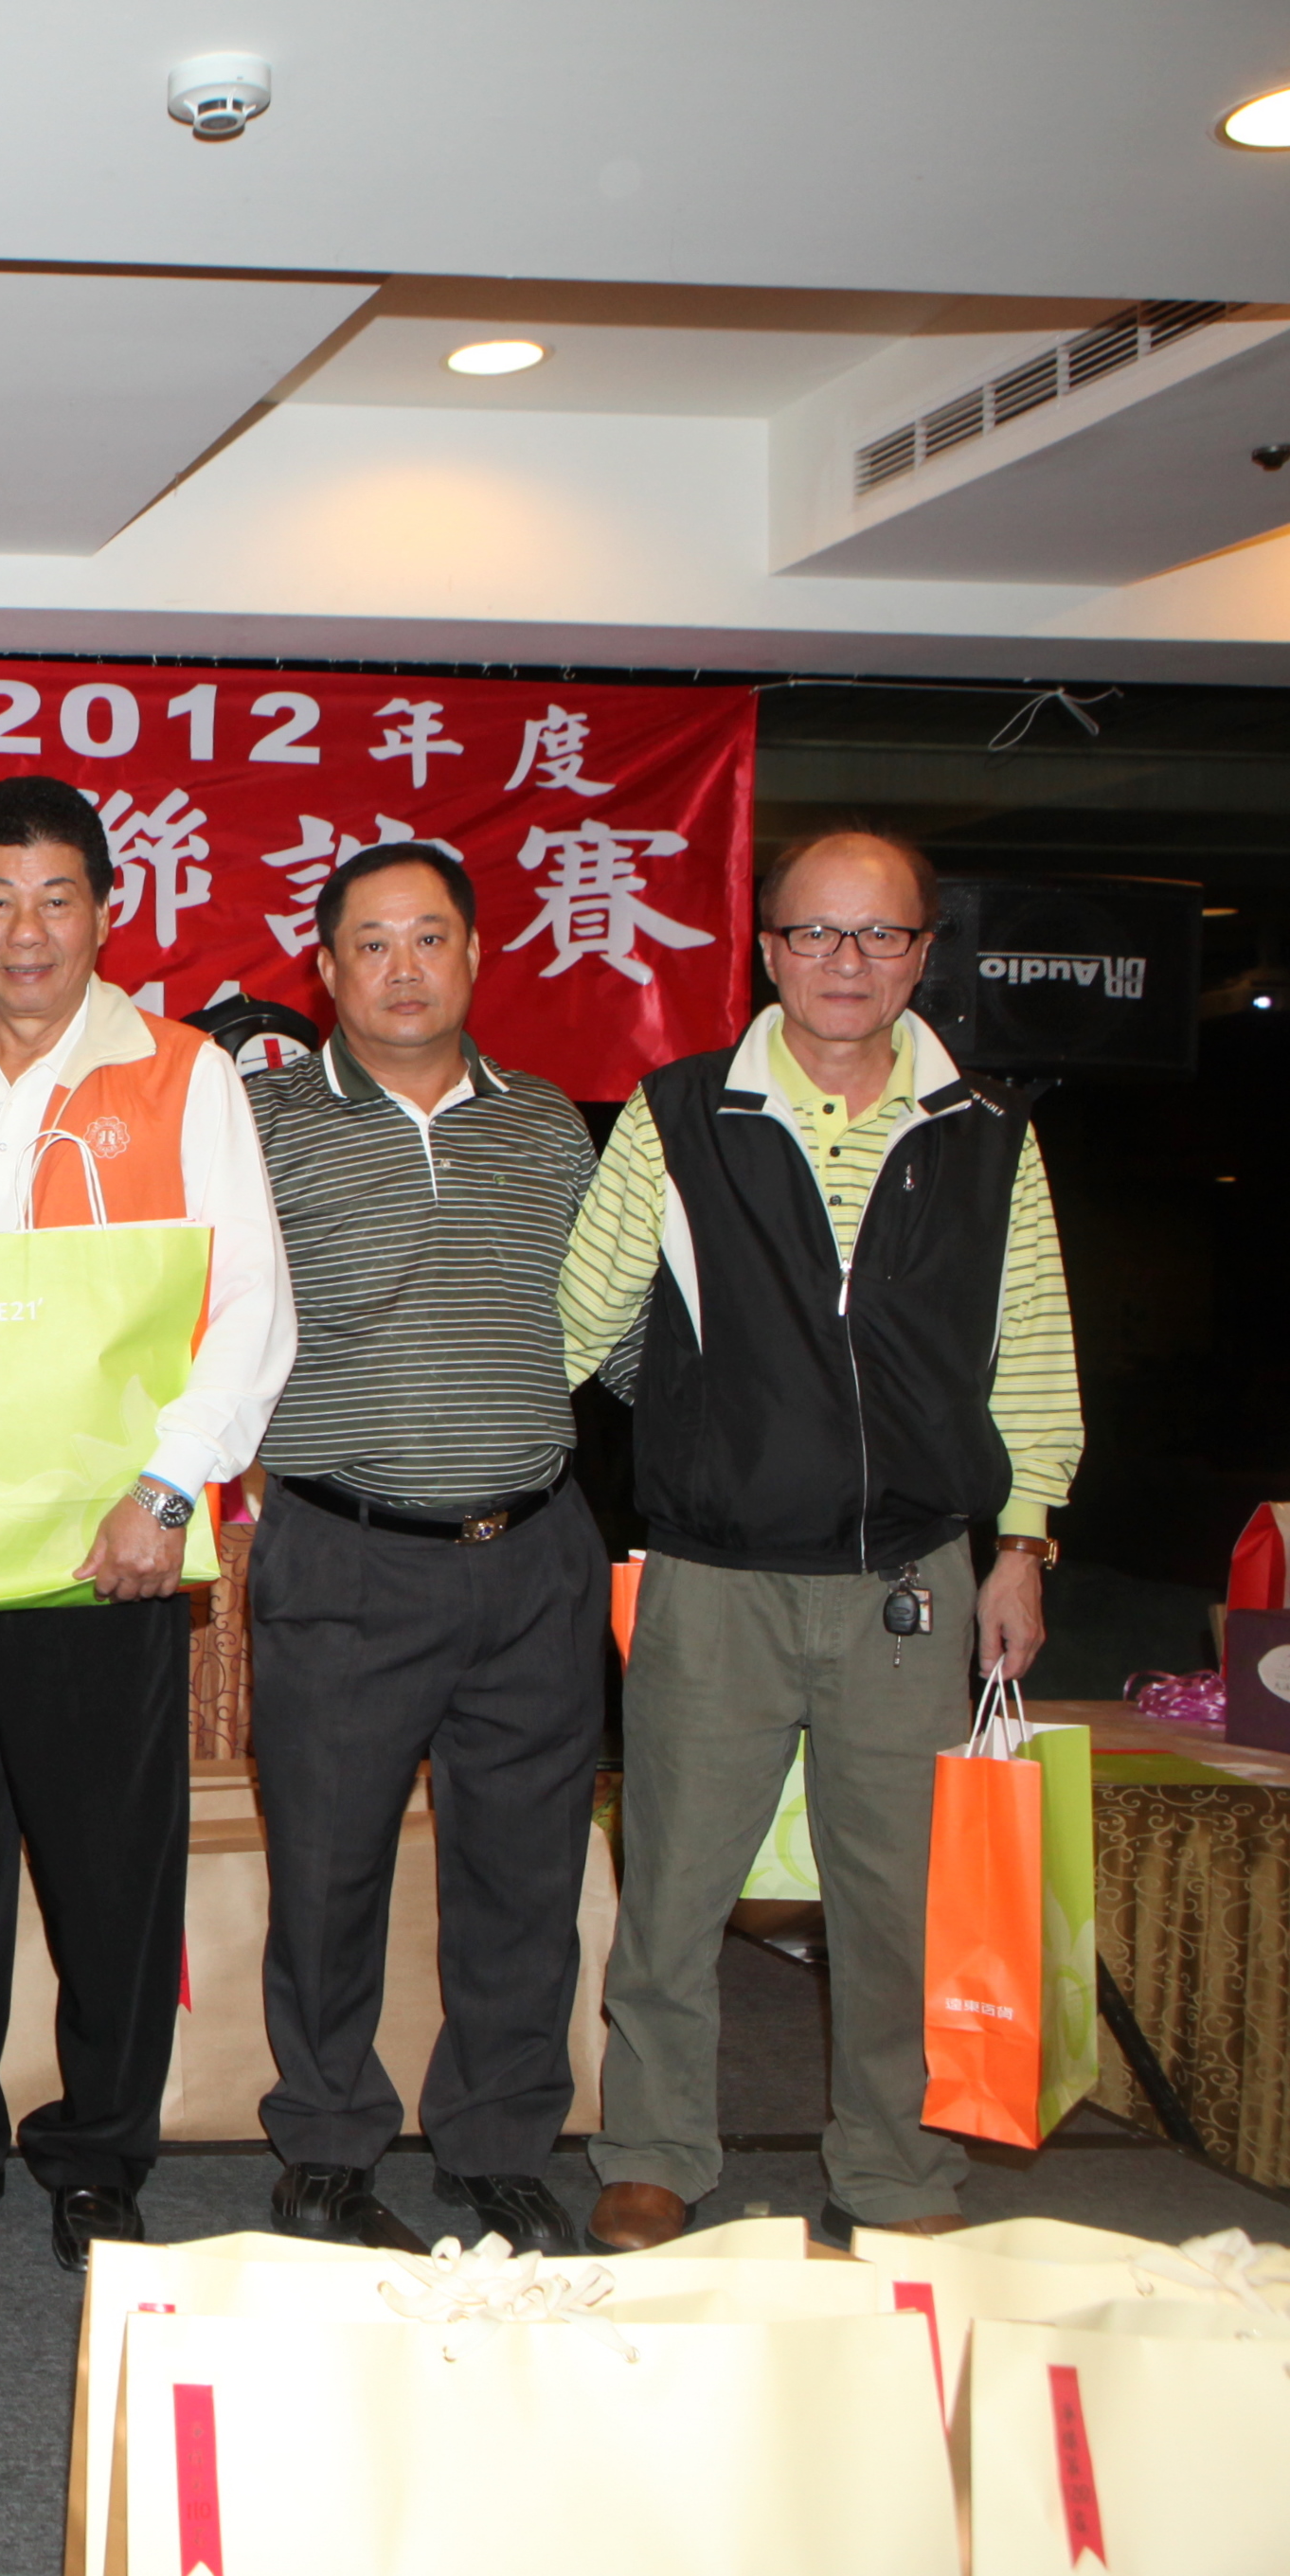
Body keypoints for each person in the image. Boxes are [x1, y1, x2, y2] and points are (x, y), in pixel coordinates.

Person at [563, 825, 1079, 2252]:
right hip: (712, 1576)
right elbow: (581, 1319)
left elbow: (1031, 1349)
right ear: (767, 948)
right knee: (675, 1888)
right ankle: (654, 2150)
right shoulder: (676, 1115)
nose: (846, 962)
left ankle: (896, 2167)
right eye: (814, 933)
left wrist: (1023, 1542)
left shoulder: (989, 1133)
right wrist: (685, 1415)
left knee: (896, 1898)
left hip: (910, 1576)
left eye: (880, 934)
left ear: (923, 952)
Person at [0, 776, 296, 2272]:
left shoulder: (182, 1075)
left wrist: (168, 1492)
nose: (25, 932)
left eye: (54, 900)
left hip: (108, 1532)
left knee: (107, 1859)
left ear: (107, 910)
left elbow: (249, 1307)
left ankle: (99, 2149)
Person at [242, 843, 601, 2258]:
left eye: (431, 938)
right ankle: (328, 2141)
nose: (404, 969)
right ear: (326, 968)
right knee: (328, 1869)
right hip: (348, 1551)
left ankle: (500, 2141)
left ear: (475, 955)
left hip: (535, 1554)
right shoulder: (263, 1122)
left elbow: (611, 1327)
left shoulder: (549, 1125)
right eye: (373, 943)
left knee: (525, 1874)